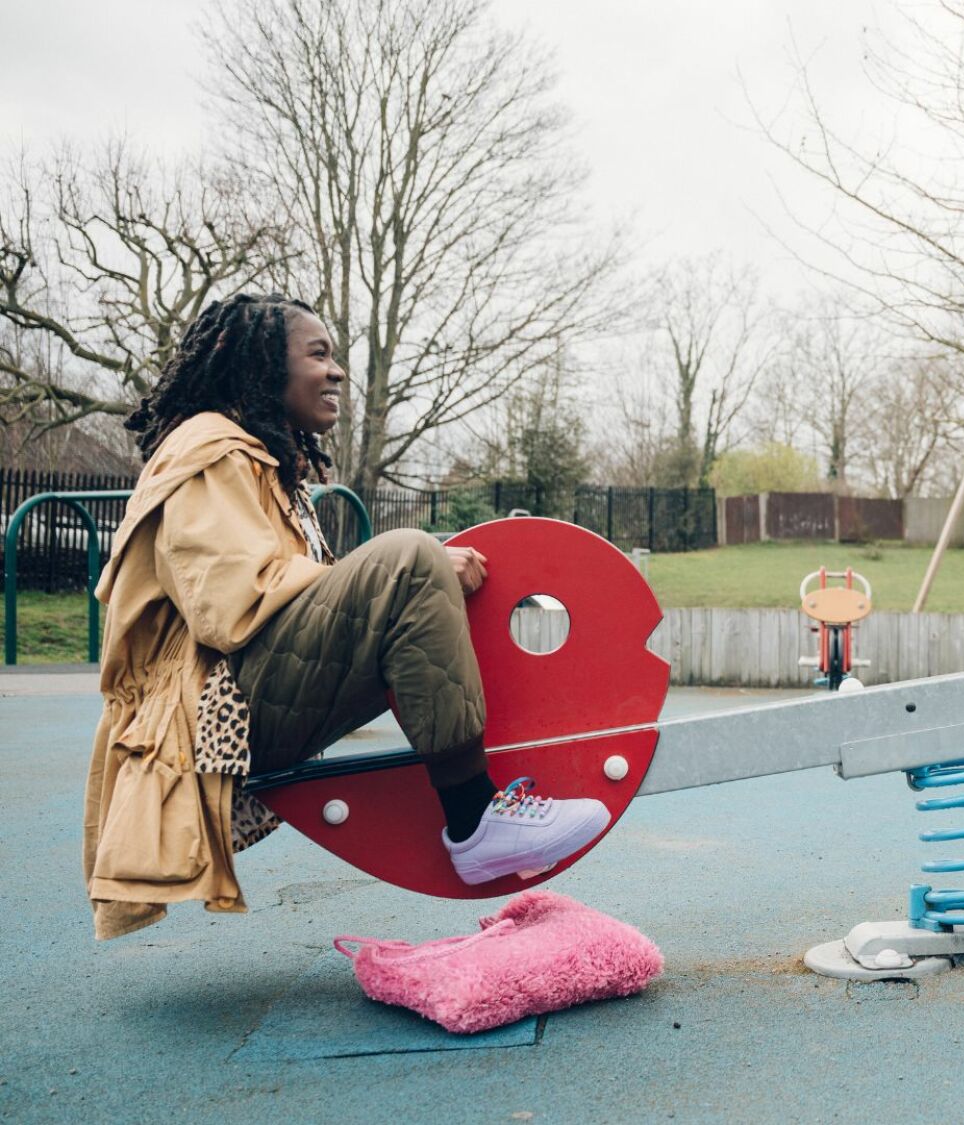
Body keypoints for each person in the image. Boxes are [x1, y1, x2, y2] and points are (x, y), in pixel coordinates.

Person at [82, 293, 609, 939]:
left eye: (336, 356)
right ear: (262, 366)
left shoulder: (259, 459)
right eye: (318, 354)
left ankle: (482, 806)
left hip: (247, 695)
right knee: (410, 557)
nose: (335, 371)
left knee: (413, 567)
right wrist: (414, 570)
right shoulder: (209, 452)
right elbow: (231, 604)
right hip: (213, 712)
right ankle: (475, 820)